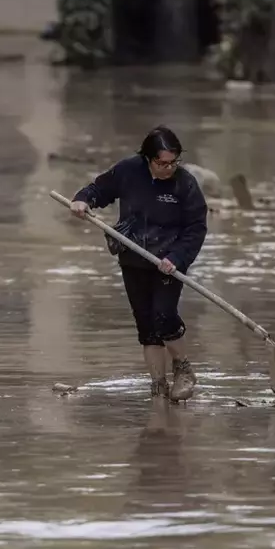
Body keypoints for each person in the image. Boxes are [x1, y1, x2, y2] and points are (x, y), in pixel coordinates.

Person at [70, 125, 208, 401]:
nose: (168, 168)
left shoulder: (186, 184)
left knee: (163, 315)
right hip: (133, 257)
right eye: (162, 163)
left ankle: (183, 370)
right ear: (147, 159)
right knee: (146, 324)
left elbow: (196, 228)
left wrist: (176, 258)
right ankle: (158, 388)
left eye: (173, 163)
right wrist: (83, 200)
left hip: (168, 261)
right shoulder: (128, 171)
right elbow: (99, 189)